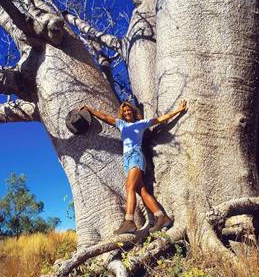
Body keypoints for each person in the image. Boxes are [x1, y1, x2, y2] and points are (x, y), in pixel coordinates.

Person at [80, 99, 187, 234]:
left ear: (133, 111)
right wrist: (90, 110)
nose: (126, 112)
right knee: (141, 191)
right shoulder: (121, 124)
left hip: (136, 156)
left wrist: (178, 110)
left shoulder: (141, 124)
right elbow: (106, 118)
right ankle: (161, 217)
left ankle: (129, 221)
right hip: (127, 159)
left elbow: (160, 119)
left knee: (129, 187)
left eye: (128, 110)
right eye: (124, 111)